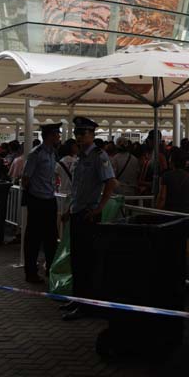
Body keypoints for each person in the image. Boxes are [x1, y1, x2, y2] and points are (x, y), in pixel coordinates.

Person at [61, 117, 117, 322]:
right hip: (77, 212)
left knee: (87, 261)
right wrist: (69, 210)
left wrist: (99, 208)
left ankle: (87, 304)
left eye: (83, 133)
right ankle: (77, 299)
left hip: (88, 215)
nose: (79, 137)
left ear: (92, 135)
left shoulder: (98, 156)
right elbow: (77, 189)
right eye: (77, 133)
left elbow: (110, 183)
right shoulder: (80, 158)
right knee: (77, 260)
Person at [22, 123, 61, 284]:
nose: (59, 136)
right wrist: (34, 195)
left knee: (51, 238)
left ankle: (50, 270)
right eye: (57, 134)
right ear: (50, 135)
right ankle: (31, 272)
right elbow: (25, 178)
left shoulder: (53, 153)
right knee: (33, 239)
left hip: (50, 199)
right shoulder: (36, 154)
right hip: (37, 200)